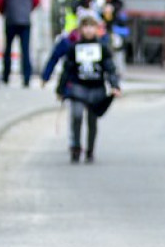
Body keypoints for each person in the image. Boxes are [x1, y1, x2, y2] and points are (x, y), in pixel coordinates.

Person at [41, 10, 121, 163]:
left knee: (92, 120)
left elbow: (110, 68)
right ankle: (75, 147)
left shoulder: (102, 48)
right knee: (76, 115)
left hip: (96, 88)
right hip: (78, 88)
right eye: (85, 26)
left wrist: (114, 85)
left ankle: (90, 149)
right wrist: (60, 89)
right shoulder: (74, 47)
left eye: (92, 26)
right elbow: (67, 70)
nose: (89, 30)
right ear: (80, 28)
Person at [0, 0, 41, 87]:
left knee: (8, 48)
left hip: (10, 18)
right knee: (25, 49)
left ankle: (6, 76)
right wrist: (27, 9)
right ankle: (26, 77)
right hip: (25, 19)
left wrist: (3, 10)